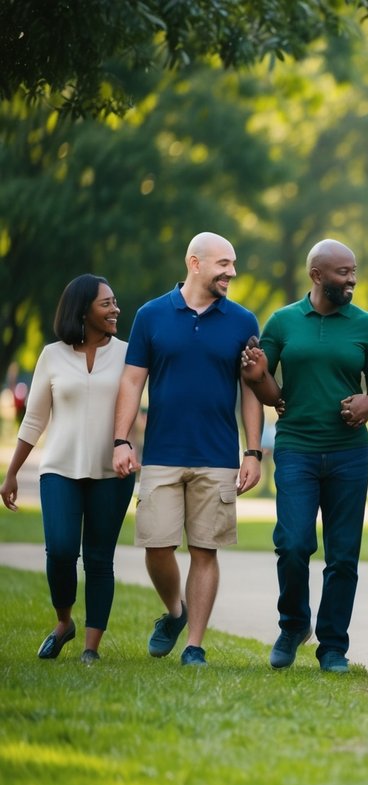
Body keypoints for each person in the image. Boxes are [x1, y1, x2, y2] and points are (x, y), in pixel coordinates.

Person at [241, 239, 368, 673]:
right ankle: (292, 626)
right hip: (296, 449)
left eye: (353, 270)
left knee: (343, 554)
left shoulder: (364, 325)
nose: (352, 279)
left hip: (347, 454)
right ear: (317, 275)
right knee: (292, 544)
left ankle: (333, 647)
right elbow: (271, 392)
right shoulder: (284, 321)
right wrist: (257, 376)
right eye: (343, 272)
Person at [113, 232, 263, 668]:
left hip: (217, 455)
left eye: (233, 263)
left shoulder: (242, 321)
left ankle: (195, 645)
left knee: (205, 549)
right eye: (223, 264)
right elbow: (131, 381)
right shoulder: (150, 315)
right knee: (156, 546)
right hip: (161, 452)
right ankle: (175, 613)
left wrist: (252, 451)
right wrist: (122, 440)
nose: (231, 272)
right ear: (195, 263)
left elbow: (251, 390)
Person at [2, 275, 135, 664]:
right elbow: (34, 420)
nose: (115, 310)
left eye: (115, 302)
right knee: (60, 551)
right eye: (106, 304)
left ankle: (90, 649)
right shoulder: (52, 355)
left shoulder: (128, 354)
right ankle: (64, 623)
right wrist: (11, 474)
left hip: (112, 474)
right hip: (59, 469)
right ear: (83, 310)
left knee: (98, 558)